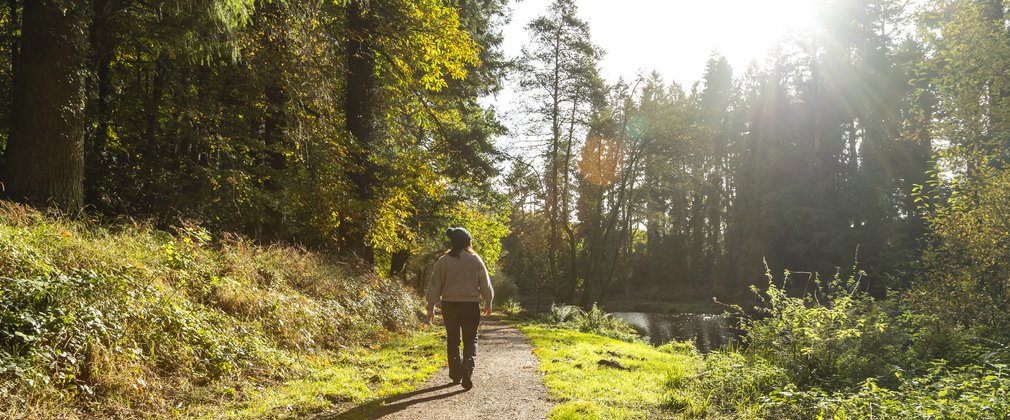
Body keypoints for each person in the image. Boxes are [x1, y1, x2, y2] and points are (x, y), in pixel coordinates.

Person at [426, 227, 493, 390]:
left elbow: (435, 284)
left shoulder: (443, 261)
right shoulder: (475, 259)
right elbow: (485, 282)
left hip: (450, 305)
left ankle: (456, 373)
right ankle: (467, 368)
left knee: (453, 339)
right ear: (468, 242)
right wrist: (488, 300)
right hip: (470, 305)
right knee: (471, 339)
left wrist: (430, 306)